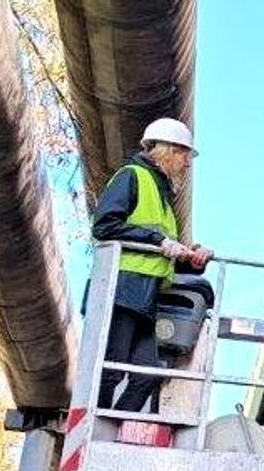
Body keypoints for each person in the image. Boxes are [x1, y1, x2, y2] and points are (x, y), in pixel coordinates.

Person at [90, 118, 213, 415]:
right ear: (168, 150)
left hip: (147, 299)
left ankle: (112, 430)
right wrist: (158, 240)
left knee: (147, 376)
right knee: (112, 369)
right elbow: (104, 226)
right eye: (185, 155)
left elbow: (162, 255)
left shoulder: (164, 198)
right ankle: (96, 429)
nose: (187, 164)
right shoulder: (131, 176)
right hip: (122, 290)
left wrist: (192, 258)